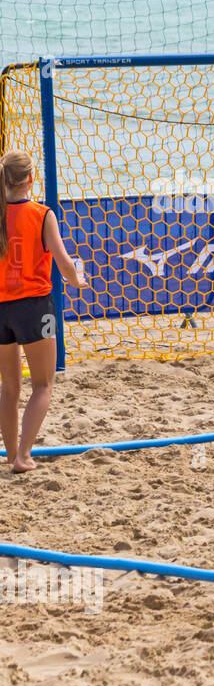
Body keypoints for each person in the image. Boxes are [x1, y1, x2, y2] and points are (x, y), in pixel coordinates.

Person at [0, 150, 89, 473]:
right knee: (43, 385)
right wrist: (77, 280)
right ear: (31, 179)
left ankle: (10, 455)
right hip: (33, 307)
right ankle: (23, 456)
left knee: (9, 387)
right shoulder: (42, 213)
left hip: (1, 307)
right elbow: (64, 263)